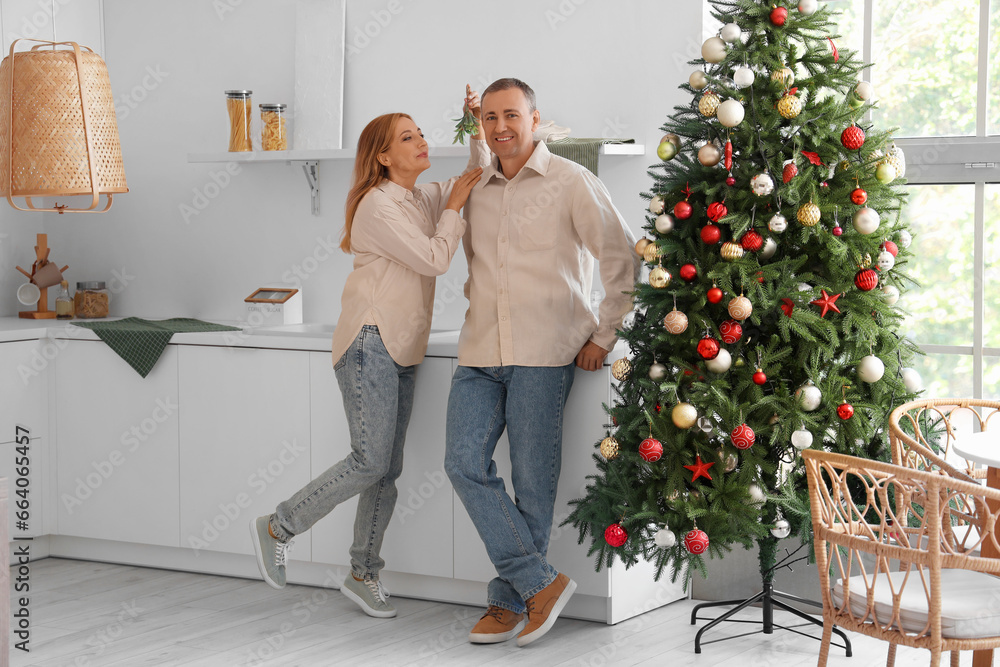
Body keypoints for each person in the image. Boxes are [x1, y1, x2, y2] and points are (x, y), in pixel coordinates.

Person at [250, 88, 487, 618]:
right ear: (383, 156)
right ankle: (277, 526)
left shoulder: (419, 197)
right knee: (369, 460)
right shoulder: (378, 205)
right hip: (369, 343)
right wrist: (452, 208)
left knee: (386, 470)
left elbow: (477, 172)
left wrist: (474, 122)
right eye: (409, 137)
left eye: (422, 133)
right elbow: (434, 259)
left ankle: (363, 573)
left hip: (403, 346)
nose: (422, 141)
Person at [444, 78, 638, 647]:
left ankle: (508, 603)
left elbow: (619, 257)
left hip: (546, 352)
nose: (500, 127)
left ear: (534, 119)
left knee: (533, 485)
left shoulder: (571, 181)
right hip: (480, 349)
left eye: (511, 115)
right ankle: (541, 584)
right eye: (489, 118)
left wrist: (605, 334)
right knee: (462, 463)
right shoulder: (476, 185)